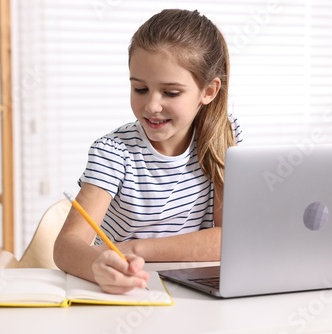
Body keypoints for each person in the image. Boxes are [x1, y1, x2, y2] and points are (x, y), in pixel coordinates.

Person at [54, 8, 243, 294]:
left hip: (190, 289)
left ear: (209, 91)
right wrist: (98, 265)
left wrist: (132, 248)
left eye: (170, 93)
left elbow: (228, 239)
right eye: (140, 89)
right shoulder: (114, 152)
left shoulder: (223, 137)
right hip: (128, 290)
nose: (151, 105)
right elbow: (66, 247)